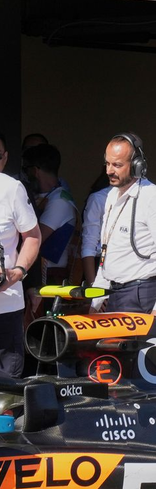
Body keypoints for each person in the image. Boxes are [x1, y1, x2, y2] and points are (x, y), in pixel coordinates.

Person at [93, 134, 156, 316]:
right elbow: (108, 251)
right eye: (107, 164)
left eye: (117, 165)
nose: (109, 171)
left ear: (137, 165)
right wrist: (96, 300)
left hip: (142, 294)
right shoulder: (111, 196)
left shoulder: (154, 199)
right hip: (114, 294)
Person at [0, 140, 40, 376]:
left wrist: (18, 272)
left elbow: (33, 236)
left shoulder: (11, 189)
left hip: (5, 306)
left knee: (8, 387)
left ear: (5, 158)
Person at [22, 144, 77, 285]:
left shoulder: (59, 200)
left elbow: (34, 239)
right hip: (40, 272)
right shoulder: (54, 195)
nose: (25, 176)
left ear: (35, 170)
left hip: (51, 278)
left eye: (26, 170)